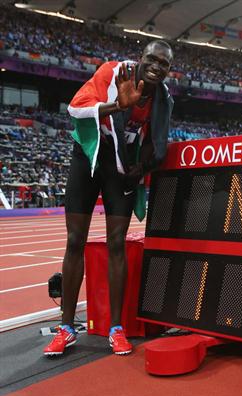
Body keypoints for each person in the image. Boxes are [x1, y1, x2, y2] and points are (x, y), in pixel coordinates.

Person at [44, 40, 174, 356]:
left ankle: (116, 328)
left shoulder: (163, 98)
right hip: (88, 158)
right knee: (75, 240)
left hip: (121, 168)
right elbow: (76, 107)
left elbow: (157, 141)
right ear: (141, 57)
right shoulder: (112, 73)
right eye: (152, 59)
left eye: (164, 64)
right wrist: (117, 105)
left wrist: (141, 167)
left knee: (117, 243)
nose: (157, 67)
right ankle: (66, 328)